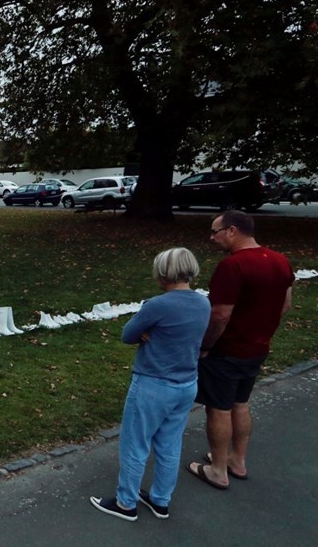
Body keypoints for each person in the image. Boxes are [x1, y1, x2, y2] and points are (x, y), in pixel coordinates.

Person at [90, 248, 211, 521]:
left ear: (163, 273)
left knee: (136, 443)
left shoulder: (157, 305)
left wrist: (148, 330)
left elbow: (127, 334)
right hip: (187, 383)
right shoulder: (204, 303)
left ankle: (125, 503)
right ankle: (160, 500)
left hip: (153, 385)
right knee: (170, 444)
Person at [186, 210, 294, 489]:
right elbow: (285, 304)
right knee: (241, 403)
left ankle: (218, 469)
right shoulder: (280, 261)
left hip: (227, 350)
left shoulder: (232, 266)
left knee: (218, 408)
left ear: (232, 231)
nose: (212, 238)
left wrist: (206, 346)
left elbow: (220, 315)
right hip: (257, 348)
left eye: (215, 231)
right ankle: (237, 459)